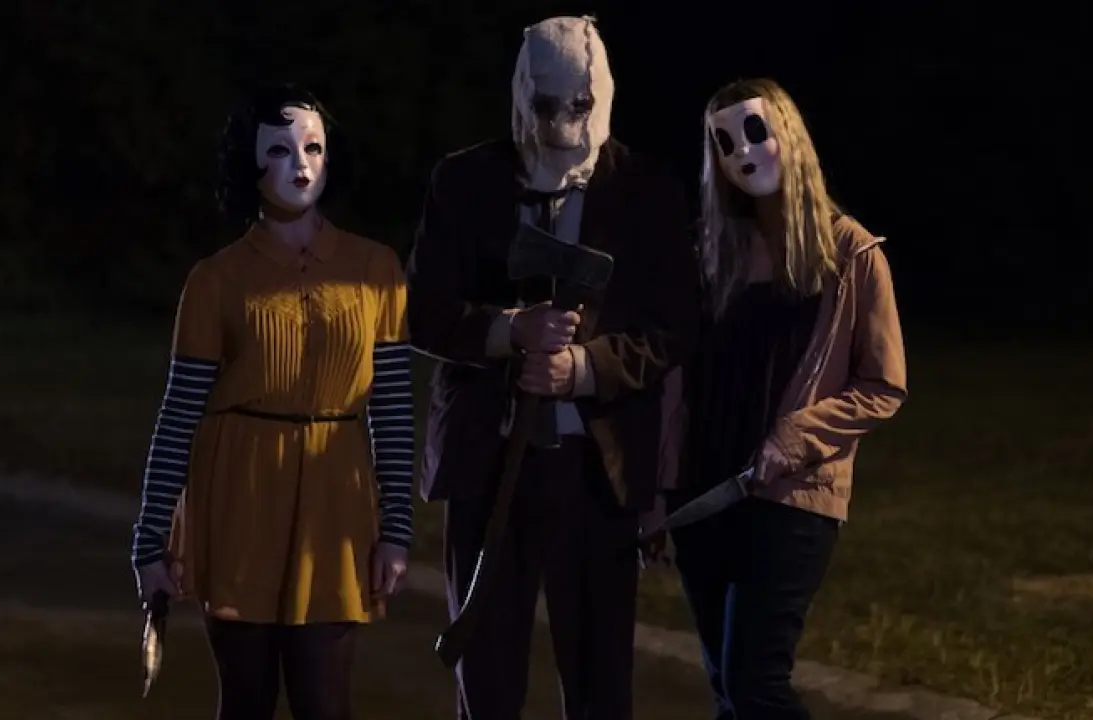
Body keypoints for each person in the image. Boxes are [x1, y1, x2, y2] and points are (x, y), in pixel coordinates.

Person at [405, 15, 698, 720]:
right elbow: (424, 311)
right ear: (521, 94)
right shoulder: (465, 182)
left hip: (595, 471)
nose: (563, 125)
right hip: (489, 463)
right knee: (487, 675)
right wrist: (508, 331)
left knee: (600, 678)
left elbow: (672, 327)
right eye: (546, 106)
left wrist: (583, 369)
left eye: (580, 106)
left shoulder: (645, 191)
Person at [129, 83, 414, 720]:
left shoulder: (376, 268)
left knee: (326, 701)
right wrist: (148, 540)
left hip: (336, 499)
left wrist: (396, 527)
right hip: (241, 493)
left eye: (313, 147)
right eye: (279, 150)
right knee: (246, 700)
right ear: (249, 164)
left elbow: (393, 408)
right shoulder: (216, 279)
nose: (300, 164)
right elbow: (179, 413)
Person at [660, 77, 908, 719]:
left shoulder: (850, 253)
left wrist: (794, 439)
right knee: (728, 691)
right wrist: (661, 485)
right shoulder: (708, 253)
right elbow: (677, 377)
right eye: (724, 143)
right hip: (704, 492)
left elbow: (883, 384)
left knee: (756, 685)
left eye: (755, 130)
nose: (743, 153)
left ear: (789, 135)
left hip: (788, 495)